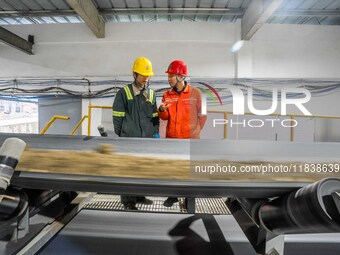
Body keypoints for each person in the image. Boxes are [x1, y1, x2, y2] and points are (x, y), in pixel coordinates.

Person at [112, 57, 159, 210]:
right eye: (143, 75)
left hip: (146, 140)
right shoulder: (124, 93)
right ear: (134, 74)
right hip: (129, 139)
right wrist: (123, 135)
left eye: (148, 76)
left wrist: (155, 133)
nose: (146, 79)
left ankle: (140, 196)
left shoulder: (151, 94)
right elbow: (117, 116)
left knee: (143, 170)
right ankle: (128, 202)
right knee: (128, 171)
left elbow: (154, 116)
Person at [158, 60, 207, 207]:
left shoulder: (196, 93)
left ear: (180, 76)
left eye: (172, 75)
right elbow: (165, 117)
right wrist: (161, 110)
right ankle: (172, 196)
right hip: (172, 139)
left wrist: (194, 132)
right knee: (172, 168)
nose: (169, 78)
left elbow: (203, 116)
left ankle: (189, 197)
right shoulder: (167, 95)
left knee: (189, 171)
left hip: (190, 140)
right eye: (169, 75)